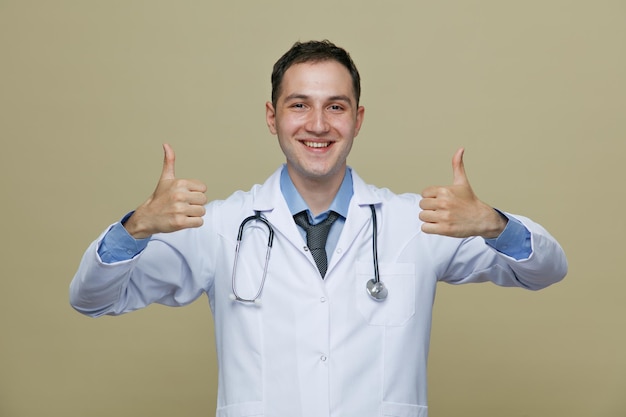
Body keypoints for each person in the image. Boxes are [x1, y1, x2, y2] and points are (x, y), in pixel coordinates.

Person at [70, 40, 567, 417]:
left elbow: (545, 271)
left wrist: (494, 225)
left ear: (357, 118)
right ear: (272, 116)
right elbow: (92, 298)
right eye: (298, 104)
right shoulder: (222, 226)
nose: (318, 124)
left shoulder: (418, 223)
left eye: (336, 106)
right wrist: (134, 229)